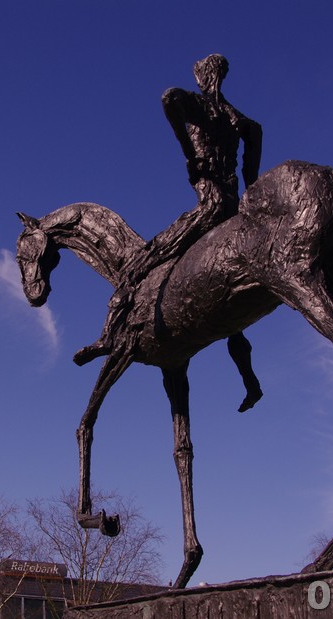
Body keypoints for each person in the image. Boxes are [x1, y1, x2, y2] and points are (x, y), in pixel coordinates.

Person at [76, 54, 263, 411]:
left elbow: (169, 98)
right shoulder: (241, 121)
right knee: (228, 306)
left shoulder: (200, 107)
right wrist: (248, 191)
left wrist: (189, 153)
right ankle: (250, 382)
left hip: (209, 207)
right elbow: (253, 159)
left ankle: (107, 338)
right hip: (232, 210)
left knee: (137, 266)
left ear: (201, 76)